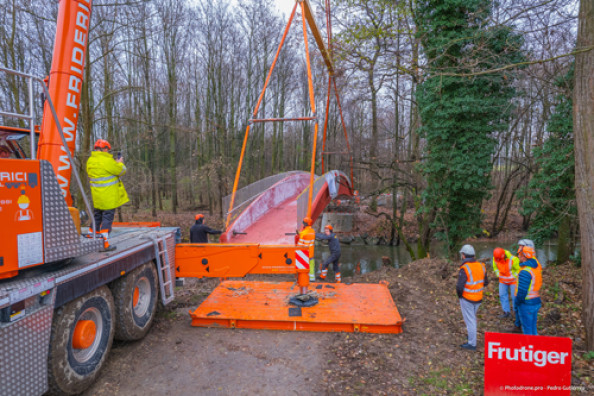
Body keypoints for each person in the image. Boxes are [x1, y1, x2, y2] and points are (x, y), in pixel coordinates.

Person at [86, 139, 129, 251]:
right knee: (107, 219)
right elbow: (121, 171)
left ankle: (92, 237)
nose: (109, 152)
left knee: (97, 217)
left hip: (97, 196)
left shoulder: (90, 161)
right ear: (104, 149)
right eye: (108, 150)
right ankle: (104, 244)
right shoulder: (107, 161)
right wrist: (120, 163)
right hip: (108, 197)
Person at [456, 244, 489, 351]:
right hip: (478, 298)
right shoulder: (481, 266)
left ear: (464, 255)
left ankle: (472, 344)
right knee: (472, 319)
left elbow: (459, 286)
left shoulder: (465, 268)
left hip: (467, 299)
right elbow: (485, 282)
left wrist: (460, 296)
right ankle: (472, 336)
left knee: (470, 321)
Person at [515, 245, 542, 335]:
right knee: (533, 328)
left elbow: (522, 291)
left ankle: (529, 346)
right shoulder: (535, 268)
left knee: (527, 330)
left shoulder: (525, 271)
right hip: (536, 301)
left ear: (524, 256)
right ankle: (536, 346)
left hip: (527, 304)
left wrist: (517, 302)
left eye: (519, 254)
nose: (518, 256)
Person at [492, 247, 520, 318]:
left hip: (513, 281)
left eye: (500, 259)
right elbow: (495, 268)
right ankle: (506, 312)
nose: (498, 261)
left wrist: (513, 276)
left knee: (514, 297)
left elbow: (518, 270)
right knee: (502, 296)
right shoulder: (495, 258)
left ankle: (516, 312)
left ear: (503, 256)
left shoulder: (513, 259)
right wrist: (499, 275)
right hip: (502, 281)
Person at [297, 217, 316, 281]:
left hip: (304, 253)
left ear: (305, 224)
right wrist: (300, 233)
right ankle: (312, 278)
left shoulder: (303, 233)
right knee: (311, 265)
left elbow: (299, 245)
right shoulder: (313, 231)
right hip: (311, 253)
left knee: (303, 266)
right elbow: (307, 235)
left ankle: (303, 278)